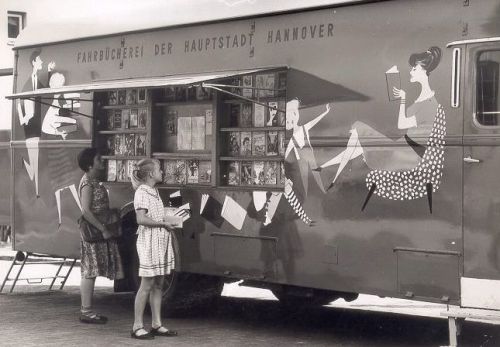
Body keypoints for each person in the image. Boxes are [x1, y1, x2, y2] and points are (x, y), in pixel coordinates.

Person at [315, 46, 443, 190]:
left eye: (414, 68)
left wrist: (402, 100)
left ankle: (331, 174)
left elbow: (402, 125)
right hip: (404, 147)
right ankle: (331, 174)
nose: (411, 71)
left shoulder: (428, 104)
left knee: (358, 129)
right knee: (357, 140)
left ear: (424, 71)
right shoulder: (425, 99)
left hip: (409, 155)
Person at [130, 159, 178, 340]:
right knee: (147, 284)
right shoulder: (142, 192)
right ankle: (137, 326)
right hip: (149, 241)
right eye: (159, 169)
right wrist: (162, 223)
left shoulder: (154, 191)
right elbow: (141, 219)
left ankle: (157, 324)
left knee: (159, 283)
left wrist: (168, 220)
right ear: (151, 174)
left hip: (159, 240)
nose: (162, 172)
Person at [77, 147, 124, 324]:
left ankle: (87, 310)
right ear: (90, 165)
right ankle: (86, 311)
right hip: (94, 232)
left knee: (92, 270)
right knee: (90, 271)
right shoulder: (87, 183)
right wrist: (103, 228)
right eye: (98, 159)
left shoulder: (93, 180)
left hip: (96, 231)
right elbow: (86, 211)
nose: (101, 162)